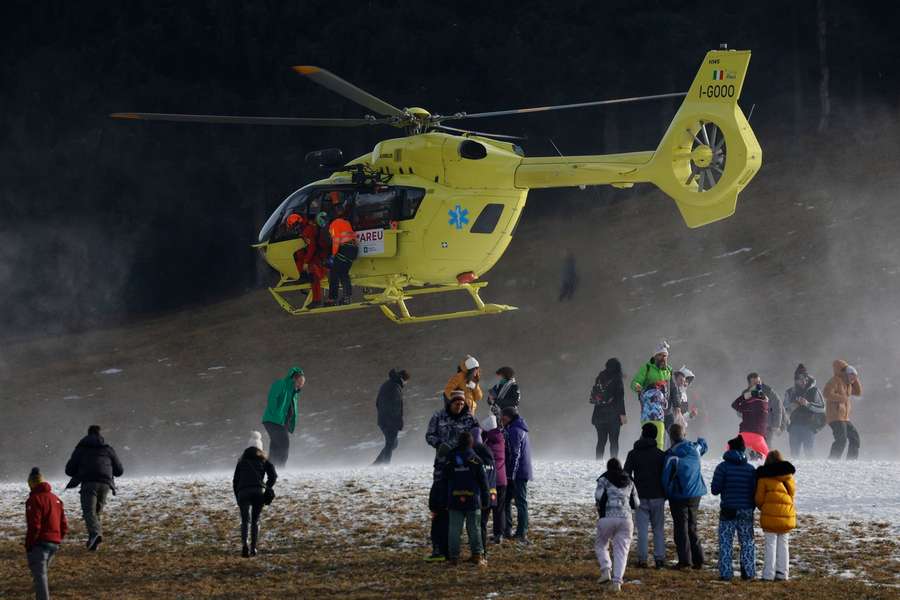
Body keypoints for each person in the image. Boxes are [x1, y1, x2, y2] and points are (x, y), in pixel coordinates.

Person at [425, 389, 480, 561]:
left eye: (462, 402)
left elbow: (477, 438)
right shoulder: (438, 416)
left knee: (461, 509)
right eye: (456, 401)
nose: (459, 404)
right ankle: (438, 547)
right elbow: (429, 435)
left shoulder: (470, 418)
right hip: (442, 469)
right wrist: (439, 444)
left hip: (462, 472)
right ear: (450, 402)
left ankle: (467, 550)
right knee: (439, 507)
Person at [64, 424, 123, 551]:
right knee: (96, 512)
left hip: (89, 483)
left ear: (88, 434)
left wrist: (80, 470)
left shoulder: (81, 448)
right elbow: (119, 471)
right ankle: (94, 540)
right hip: (105, 484)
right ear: (100, 434)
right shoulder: (108, 449)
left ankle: (95, 534)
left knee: (89, 512)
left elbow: (69, 470)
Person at [711, 436, 757, 581]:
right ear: (744, 450)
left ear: (730, 449)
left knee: (725, 542)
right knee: (747, 542)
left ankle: (726, 573)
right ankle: (748, 572)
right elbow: (755, 491)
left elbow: (715, 490)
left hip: (728, 509)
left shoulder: (722, 467)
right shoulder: (751, 469)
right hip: (746, 510)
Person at [662, 423, 707, 569]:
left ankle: (685, 560)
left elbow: (665, 479)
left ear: (670, 437)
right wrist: (698, 437)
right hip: (695, 493)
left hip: (678, 495)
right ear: (684, 435)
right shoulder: (694, 449)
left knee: (681, 527)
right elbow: (703, 444)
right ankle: (698, 558)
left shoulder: (671, 456)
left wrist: (667, 494)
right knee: (692, 526)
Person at [623, 423, 667, 569]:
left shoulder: (633, 454)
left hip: (640, 496)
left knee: (642, 530)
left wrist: (633, 488)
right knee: (658, 529)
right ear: (655, 436)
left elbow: (626, 475)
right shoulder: (661, 455)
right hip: (658, 495)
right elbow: (666, 476)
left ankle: (642, 559)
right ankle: (660, 558)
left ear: (642, 434)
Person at [444, 432, 490, 566]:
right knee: (474, 528)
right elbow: (484, 482)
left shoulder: (451, 458)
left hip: (454, 499)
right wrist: (486, 499)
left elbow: (444, 478)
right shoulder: (476, 459)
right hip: (473, 500)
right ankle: (477, 555)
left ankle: (453, 557)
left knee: (454, 529)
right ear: (471, 443)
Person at [594, 458, 639, 592]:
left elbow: (598, 496)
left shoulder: (604, 479)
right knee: (621, 551)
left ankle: (606, 570)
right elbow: (636, 503)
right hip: (626, 520)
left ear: (608, 468)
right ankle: (617, 582)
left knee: (601, 544)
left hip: (607, 517)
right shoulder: (630, 481)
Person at [232, 432, 277, 557]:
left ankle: (244, 545)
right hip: (258, 492)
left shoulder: (241, 461)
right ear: (260, 448)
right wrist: (267, 487)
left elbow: (235, 481)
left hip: (243, 492)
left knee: (245, 520)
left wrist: (238, 496)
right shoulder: (264, 460)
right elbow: (273, 476)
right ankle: (253, 548)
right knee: (255, 521)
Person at [25, 467, 67, 600]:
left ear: (31, 484)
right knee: (40, 574)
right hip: (54, 542)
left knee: (40, 577)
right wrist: (58, 538)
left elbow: (34, 525)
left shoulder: (34, 500)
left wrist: (29, 544)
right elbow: (64, 525)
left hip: (40, 543)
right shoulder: (56, 499)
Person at [755, 450, 796, 581]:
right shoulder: (788, 476)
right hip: (786, 515)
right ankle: (783, 573)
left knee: (770, 545)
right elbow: (792, 494)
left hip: (770, 516)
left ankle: (768, 574)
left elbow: (759, 499)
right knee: (784, 545)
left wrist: (765, 508)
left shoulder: (763, 478)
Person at [261, 366, 304, 468]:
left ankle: (270, 469)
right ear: (294, 379)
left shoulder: (293, 393)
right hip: (274, 421)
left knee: (276, 446)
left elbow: (292, 409)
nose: (301, 385)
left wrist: (291, 423)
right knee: (284, 444)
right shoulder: (281, 384)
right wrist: (276, 415)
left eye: (303, 383)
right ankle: (280, 468)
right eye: (300, 381)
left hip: (282, 422)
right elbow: (272, 399)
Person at [502, 406, 533, 543]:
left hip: (518, 473)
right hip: (519, 471)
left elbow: (515, 454)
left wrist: (511, 476)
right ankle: (509, 529)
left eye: (503, 417)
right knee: (508, 501)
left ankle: (521, 532)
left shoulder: (515, 431)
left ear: (509, 417)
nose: (501, 420)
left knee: (520, 502)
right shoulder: (518, 428)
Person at [783, 364, 826, 458]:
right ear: (795, 380)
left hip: (809, 426)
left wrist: (808, 404)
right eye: (800, 379)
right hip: (794, 426)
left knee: (809, 454)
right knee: (794, 454)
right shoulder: (789, 392)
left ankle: (811, 472)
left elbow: (822, 408)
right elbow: (783, 411)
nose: (803, 381)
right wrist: (792, 407)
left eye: (805, 378)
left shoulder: (814, 391)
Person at [824, 360, 863, 460]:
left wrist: (855, 379)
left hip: (845, 417)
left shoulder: (848, 384)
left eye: (854, 376)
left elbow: (858, 392)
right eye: (851, 375)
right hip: (835, 416)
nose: (852, 378)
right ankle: (832, 461)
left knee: (855, 438)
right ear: (845, 373)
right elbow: (826, 394)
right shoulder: (834, 380)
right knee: (841, 440)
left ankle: (851, 461)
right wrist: (842, 398)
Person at [287, 213, 327, 309]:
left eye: (293, 226)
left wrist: (306, 262)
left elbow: (312, 248)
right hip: (317, 255)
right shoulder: (306, 229)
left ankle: (316, 300)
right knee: (299, 253)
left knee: (314, 277)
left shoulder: (307, 231)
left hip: (318, 257)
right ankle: (303, 276)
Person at [590, 358, 627, 460]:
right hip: (613, 416)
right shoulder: (617, 379)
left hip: (599, 415)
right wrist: (622, 415)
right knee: (614, 441)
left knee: (601, 441)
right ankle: (614, 462)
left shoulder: (600, 377)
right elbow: (620, 398)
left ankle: (597, 462)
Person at [373, 368, 410, 465]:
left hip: (383, 419)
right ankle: (385, 464)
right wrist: (397, 421)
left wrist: (382, 414)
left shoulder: (389, 384)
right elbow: (396, 407)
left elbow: (377, 403)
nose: (406, 384)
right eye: (406, 381)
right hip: (390, 421)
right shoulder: (395, 387)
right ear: (403, 379)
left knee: (393, 443)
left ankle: (376, 464)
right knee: (391, 443)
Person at [481, 415, 507, 544]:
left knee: (485, 507)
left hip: (490, 479)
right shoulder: (501, 438)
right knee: (499, 509)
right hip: (502, 480)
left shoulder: (487, 442)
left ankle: (481, 532)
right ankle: (499, 534)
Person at [732, 375, 770, 459]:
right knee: (766, 456)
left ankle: (750, 453)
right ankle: (755, 454)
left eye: (759, 382)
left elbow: (735, 405)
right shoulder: (762, 400)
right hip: (755, 433)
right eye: (755, 383)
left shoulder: (764, 397)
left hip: (752, 432)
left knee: (733, 451)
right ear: (749, 384)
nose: (758, 385)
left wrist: (745, 397)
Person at [327, 208, 358, 305]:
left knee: (334, 272)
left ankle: (332, 298)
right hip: (353, 250)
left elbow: (336, 240)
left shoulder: (334, 224)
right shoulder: (346, 222)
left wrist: (333, 255)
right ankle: (347, 297)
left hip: (345, 249)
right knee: (343, 273)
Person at [667, 366, 698, 436]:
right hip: (671, 428)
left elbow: (682, 415)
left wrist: (690, 415)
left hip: (680, 429)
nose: (686, 383)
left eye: (688, 381)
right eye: (685, 380)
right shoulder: (673, 392)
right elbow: (672, 413)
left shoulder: (684, 395)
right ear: (677, 379)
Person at [639, 381, 668, 450]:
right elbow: (665, 405)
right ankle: (657, 455)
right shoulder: (660, 393)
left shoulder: (643, 395)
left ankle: (645, 454)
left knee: (645, 440)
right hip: (658, 419)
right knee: (659, 442)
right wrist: (664, 393)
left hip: (646, 419)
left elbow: (642, 403)